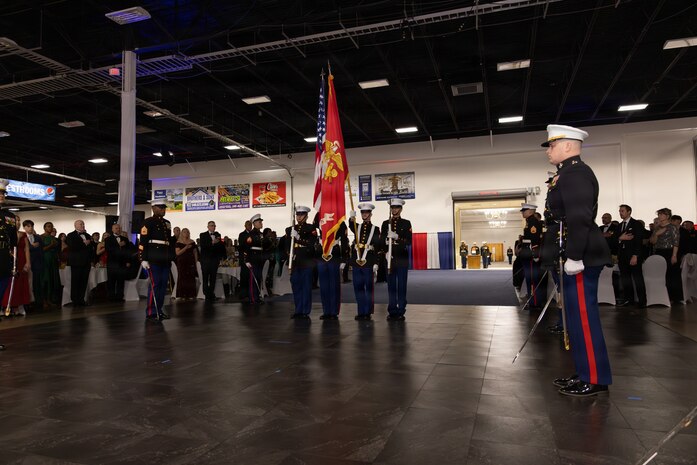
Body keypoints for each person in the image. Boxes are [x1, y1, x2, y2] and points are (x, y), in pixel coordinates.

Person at [542, 124, 612, 397]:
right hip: (572, 254)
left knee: (584, 319)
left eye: (552, 145)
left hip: (581, 256)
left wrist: (574, 256)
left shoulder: (576, 173)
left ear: (568, 146)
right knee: (574, 319)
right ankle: (584, 372)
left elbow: (580, 218)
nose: (549, 150)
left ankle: (595, 377)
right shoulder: (566, 174)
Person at [139, 202, 175, 321]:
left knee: (163, 286)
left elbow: (168, 242)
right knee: (155, 285)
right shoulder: (148, 222)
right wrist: (143, 258)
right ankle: (151, 312)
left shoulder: (167, 223)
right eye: (161, 208)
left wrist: (171, 257)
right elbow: (143, 242)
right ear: (154, 208)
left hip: (165, 259)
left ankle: (159, 310)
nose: (163, 210)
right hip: (153, 258)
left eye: (164, 208)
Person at [380, 198, 412, 321]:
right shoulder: (385, 223)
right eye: (392, 208)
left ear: (401, 209)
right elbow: (381, 241)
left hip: (402, 258)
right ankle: (392, 309)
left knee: (402, 285)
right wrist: (385, 251)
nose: (394, 210)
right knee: (391, 286)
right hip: (390, 259)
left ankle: (401, 310)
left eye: (397, 207)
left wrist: (397, 237)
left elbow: (409, 241)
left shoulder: (406, 223)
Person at [349, 203, 381, 320]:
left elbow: (377, 246)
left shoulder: (375, 229)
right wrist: (351, 217)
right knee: (358, 287)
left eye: (367, 212)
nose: (364, 214)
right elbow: (351, 225)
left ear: (371, 214)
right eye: (362, 212)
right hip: (357, 262)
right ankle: (361, 311)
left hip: (368, 262)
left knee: (368, 288)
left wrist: (376, 262)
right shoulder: (357, 227)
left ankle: (367, 311)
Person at [314, 212, 349, 320]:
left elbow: (344, 240)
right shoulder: (318, 216)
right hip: (321, 255)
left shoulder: (339, 220)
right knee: (324, 286)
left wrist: (344, 258)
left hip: (334, 254)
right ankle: (326, 311)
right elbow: (314, 231)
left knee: (334, 285)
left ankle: (333, 311)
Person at [286, 206, 319, 319]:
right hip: (295, 261)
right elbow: (286, 246)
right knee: (296, 286)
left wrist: (298, 237)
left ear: (306, 216)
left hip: (307, 261)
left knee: (306, 287)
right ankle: (298, 310)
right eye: (297, 215)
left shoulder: (311, 228)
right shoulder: (290, 229)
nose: (299, 217)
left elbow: (311, 245)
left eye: (301, 215)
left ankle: (305, 311)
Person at [616, 204, 646, 308]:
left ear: (629, 212)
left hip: (633, 255)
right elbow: (614, 240)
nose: (620, 213)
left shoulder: (636, 224)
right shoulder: (619, 226)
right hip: (622, 256)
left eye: (622, 211)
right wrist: (621, 238)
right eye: (620, 211)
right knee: (625, 278)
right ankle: (629, 300)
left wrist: (635, 255)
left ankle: (642, 301)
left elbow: (638, 241)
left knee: (637, 278)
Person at [651, 208, 682, 304]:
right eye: (659, 214)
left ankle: (674, 298)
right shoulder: (657, 227)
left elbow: (676, 242)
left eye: (661, 214)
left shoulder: (672, 227)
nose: (659, 216)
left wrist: (674, 255)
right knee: (660, 275)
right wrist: (656, 234)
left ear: (667, 216)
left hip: (670, 252)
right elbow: (652, 242)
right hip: (659, 252)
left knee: (671, 275)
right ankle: (662, 296)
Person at [0, 179, 17, 349]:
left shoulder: (9, 216)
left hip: (4, 259)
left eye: (3, 193)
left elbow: (13, 240)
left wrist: (13, 259)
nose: (1, 196)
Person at [519, 203, 544, 309]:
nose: (522, 213)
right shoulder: (529, 222)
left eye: (524, 211)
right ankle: (532, 301)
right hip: (527, 254)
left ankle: (534, 303)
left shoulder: (533, 222)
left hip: (530, 255)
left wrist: (534, 254)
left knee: (533, 279)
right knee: (530, 279)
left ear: (530, 211)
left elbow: (534, 240)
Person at [2, 225, 31, 316]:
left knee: (20, 283)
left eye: (18, 221)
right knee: (9, 284)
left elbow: (26, 248)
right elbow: (11, 247)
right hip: (11, 259)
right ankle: (6, 306)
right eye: (16, 220)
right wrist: (17, 238)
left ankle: (19, 305)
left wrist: (28, 262)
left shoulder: (23, 234)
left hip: (21, 260)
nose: (17, 223)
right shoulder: (7, 234)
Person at [66, 220, 95, 306]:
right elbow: (72, 247)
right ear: (75, 226)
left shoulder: (87, 235)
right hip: (76, 262)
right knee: (75, 281)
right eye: (80, 224)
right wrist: (85, 243)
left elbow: (91, 249)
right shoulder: (70, 235)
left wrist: (91, 260)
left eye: (83, 224)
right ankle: (75, 300)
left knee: (84, 281)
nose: (82, 225)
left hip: (86, 262)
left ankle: (81, 299)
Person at [199, 221, 226, 301]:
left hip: (214, 260)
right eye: (211, 225)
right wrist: (212, 242)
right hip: (205, 260)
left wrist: (223, 257)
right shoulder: (202, 235)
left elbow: (221, 247)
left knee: (213, 278)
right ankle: (206, 294)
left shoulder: (218, 235)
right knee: (205, 278)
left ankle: (211, 293)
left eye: (214, 225)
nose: (213, 227)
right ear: (208, 227)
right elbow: (203, 246)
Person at [105, 224, 132, 302]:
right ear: (112, 229)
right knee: (111, 281)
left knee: (121, 281)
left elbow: (128, 252)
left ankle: (120, 297)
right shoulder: (108, 239)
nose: (118, 229)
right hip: (112, 263)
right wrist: (118, 245)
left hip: (122, 263)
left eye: (119, 228)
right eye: (116, 228)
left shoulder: (125, 239)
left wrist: (128, 261)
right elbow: (108, 250)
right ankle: (111, 297)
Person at [244, 214, 266, 304]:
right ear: (254, 223)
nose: (261, 223)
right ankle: (253, 298)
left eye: (261, 222)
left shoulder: (261, 234)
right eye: (259, 222)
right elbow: (247, 248)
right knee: (253, 280)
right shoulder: (251, 234)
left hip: (260, 258)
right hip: (253, 258)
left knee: (258, 278)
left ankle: (257, 297)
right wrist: (247, 260)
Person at [23, 220, 43, 311]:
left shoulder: (38, 237)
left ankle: (38, 303)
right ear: (24, 228)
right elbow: (23, 249)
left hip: (37, 264)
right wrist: (31, 247)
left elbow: (41, 251)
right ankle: (27, 303)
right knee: (27, 284)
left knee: (37, 284)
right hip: (26, 264)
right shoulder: (23, 237)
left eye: (31, 226)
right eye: (28, 226)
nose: (30, 228)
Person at [40, 221, 61, 309]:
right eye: (48, 226)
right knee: (45, 280)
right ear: (44, 228)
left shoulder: (54, 238)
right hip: (45, 260)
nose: (50, 228)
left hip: (53, 260)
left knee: (52, 280)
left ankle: (50, 299)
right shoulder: (41, 237)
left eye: (51, 226)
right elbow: (41, 250)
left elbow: (57, 250)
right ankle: (43, 300)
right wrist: (51, 245)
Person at [175, 228, 198, 299]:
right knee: (182, 277)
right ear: (182, 233)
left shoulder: (192, 242)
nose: (186, 233)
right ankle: (181, 295)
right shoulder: (178, 242)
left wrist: (196, 262)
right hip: (182, 262)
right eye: (184, 232)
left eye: (187, 232)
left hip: (191, 262)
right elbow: (177, 253)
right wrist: (186, 247)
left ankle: (191, 294)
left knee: (191, 277)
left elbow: (195, 252)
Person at [237, 220, 253, 300]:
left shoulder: (253, 234)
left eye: (250, 225)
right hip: (244, 258)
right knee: (244, 277)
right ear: (245, 226)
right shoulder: (242, 234)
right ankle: (243, 293)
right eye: (248, 225)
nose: (250, 226)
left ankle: (250, 293)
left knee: (250, 277)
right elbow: (242, 246)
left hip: (252, 258)